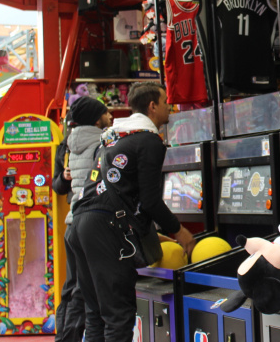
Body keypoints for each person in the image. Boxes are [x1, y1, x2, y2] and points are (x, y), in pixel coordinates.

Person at [67, 82, 196, 342]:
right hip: (105, 227)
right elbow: (150, 200)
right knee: (118, 316)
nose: (169, 106)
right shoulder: (149, 140)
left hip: (79, 224)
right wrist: (180, 231)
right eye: (165, 101)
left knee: (96, 314)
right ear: (152, 106)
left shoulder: (114, 136)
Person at [51, 96, 112, 342]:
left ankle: (64, 337)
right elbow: (58, 185)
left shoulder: (68, 143)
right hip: (92, 222)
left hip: (72, 223)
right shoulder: (102, 142)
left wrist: (68, 178)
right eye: (106, 113)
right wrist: (64, 178)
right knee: (81, 291)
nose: (110, 117)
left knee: (72, 288)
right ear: (97, 119)